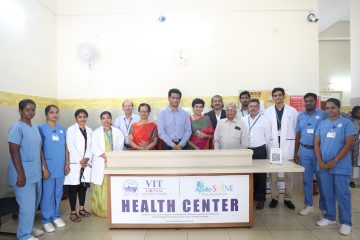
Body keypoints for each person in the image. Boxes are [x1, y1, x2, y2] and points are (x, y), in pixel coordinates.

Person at [314, 98, 356, 236]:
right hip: (324, 165)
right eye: (327, 108)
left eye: (333, 107)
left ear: (339, 109)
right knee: (327, 193)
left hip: (340, 166)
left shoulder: (346, 123)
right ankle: (330, 217)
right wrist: (320, 161)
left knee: (342, 194)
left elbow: (349, 144)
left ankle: (346, 222)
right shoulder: (322, 123)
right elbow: (317, 143)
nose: (329, 110)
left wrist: (335, 160)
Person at [7, 99, 44, 240]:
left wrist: (43, 167)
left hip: (35, 171)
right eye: (27, 109)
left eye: (33, 109)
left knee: (34, 204)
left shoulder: (34, 127)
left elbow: (38, 149)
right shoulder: (16, 127)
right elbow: (13, 151)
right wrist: (21, 174)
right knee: (27, 206)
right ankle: (24, 235)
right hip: (22, 174)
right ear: (20, 111)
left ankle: (28, 227)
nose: (31, 112)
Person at [294, 93, 327, 216]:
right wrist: (295, 153)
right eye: (306, 101)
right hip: (304, 151)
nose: (308, 103)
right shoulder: (300, 116)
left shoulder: (323, 115)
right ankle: (308, 205)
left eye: (311, 101)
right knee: (307, 180)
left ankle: (324, 207)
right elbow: (298, 135)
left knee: (322, 180)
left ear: (316, 101)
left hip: (319, 152)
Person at [264, 87, 298, 209]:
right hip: (274, 146)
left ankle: (288, 198)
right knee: (273, 173)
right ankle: (274, 197)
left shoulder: (292, 111)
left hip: (288, 145)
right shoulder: (268, 111)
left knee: (289, 173)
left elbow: (296, 129)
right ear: (273, 97)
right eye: (275, 95)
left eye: (279, 95)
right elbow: (267, 130)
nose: (277, 97)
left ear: (284, 96)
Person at [39, 105, 69, 232]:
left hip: (60, 166)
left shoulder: (61, 129)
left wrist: (67, 163)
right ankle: (46, 219)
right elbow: (39, 150)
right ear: (46, 114)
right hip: (49, 168)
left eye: (56, 112)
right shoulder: (41, 128)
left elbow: (65, 147)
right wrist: (44, 168)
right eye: (52, 112)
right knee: (48, 194)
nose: (54, 115)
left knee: (58, 193)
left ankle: (56, 216)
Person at [91, 111, 124, 217]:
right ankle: (101, 209)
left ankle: (112, 209)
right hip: (101, 161)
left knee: (111, 185)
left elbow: (120, 146)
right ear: (101, 120)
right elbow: (93, 146)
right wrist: (104, 156)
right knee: (100, 186)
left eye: (108, 118)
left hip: (113, 161)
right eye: (103, 118)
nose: (106, 120)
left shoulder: (118, 132)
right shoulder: (95, 133)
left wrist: (112, 157)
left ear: (111, 119)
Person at [241, 99, 271, 210]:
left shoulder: (265, 120)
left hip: (260, 150)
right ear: (248, 107)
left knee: (261, 176)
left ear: (259, 108)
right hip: (246, 151)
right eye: (251, 106)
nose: (253, 108)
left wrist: (267, 151)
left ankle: (261, 199)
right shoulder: (243, 119)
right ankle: (251, 196)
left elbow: (267, 137)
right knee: (249, 175)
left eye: (255, 106)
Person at [64, 109, 93, 222]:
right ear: (76, 118)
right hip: (76, 163)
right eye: (80, 117)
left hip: (85, 163)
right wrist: (80, 160)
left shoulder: (89, 130)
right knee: (73, 188)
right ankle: (72, 212)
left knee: (83, 187)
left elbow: (91, 146)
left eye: (84, 116)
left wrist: (87, 158)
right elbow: (70, 146)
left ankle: (81, 209)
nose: (82, 119)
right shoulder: (71, 130)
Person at [350, 106, 360, 188]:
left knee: (355, 162)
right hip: (350, 143)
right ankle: (350, 180)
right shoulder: (351, 119)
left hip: (357, 144)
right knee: (349, 161)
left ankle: (354, 178)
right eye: (357, 112)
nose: (359, 114)